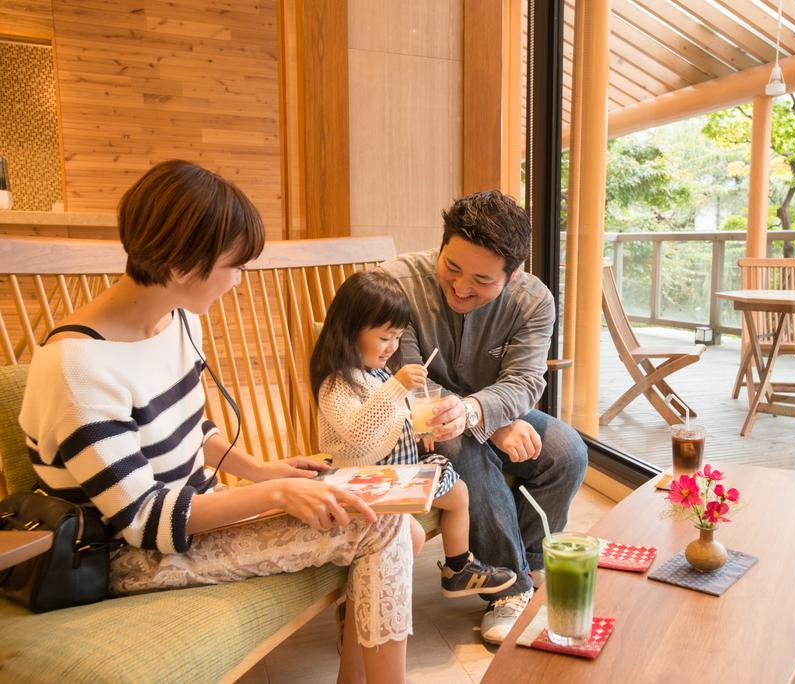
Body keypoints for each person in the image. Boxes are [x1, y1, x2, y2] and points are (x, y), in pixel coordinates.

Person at [18, 160, 411, 684]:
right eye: (234, 267)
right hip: (124, 555)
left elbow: (190, 432)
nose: (238, 282)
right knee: (381, 521)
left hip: (191, 517)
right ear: (183, 268)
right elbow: (143, 521)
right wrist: (276, 497)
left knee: (388, 515)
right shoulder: (78, 368)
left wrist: (262, 471)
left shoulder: (179, 320)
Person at [381, 190, 588, 644]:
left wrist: (480, 413)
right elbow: (406, 381)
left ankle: (527, 559)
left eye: (481, 279)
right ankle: (510, 587)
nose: (460, 287)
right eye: (451, 267)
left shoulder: (534, 302)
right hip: (413, 427)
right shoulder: (396, 283)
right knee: (458, 441)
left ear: (512, 276)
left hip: (488, 411)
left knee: (567, 451)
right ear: (442, 245)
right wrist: (483, 423)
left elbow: (527, 382)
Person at [310, 270, 517, 598]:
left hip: (396, 473)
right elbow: (359, 431)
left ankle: (458, 567)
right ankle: (365, 602)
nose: (392, 347)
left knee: (459, 493)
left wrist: (418, 430)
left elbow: (393, 416)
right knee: (412, 536)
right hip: (362, 483)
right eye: (383, 338)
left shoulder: (375, 371)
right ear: (350, 331)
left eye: (396, 338)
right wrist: (398, 385)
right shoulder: (338, 383)